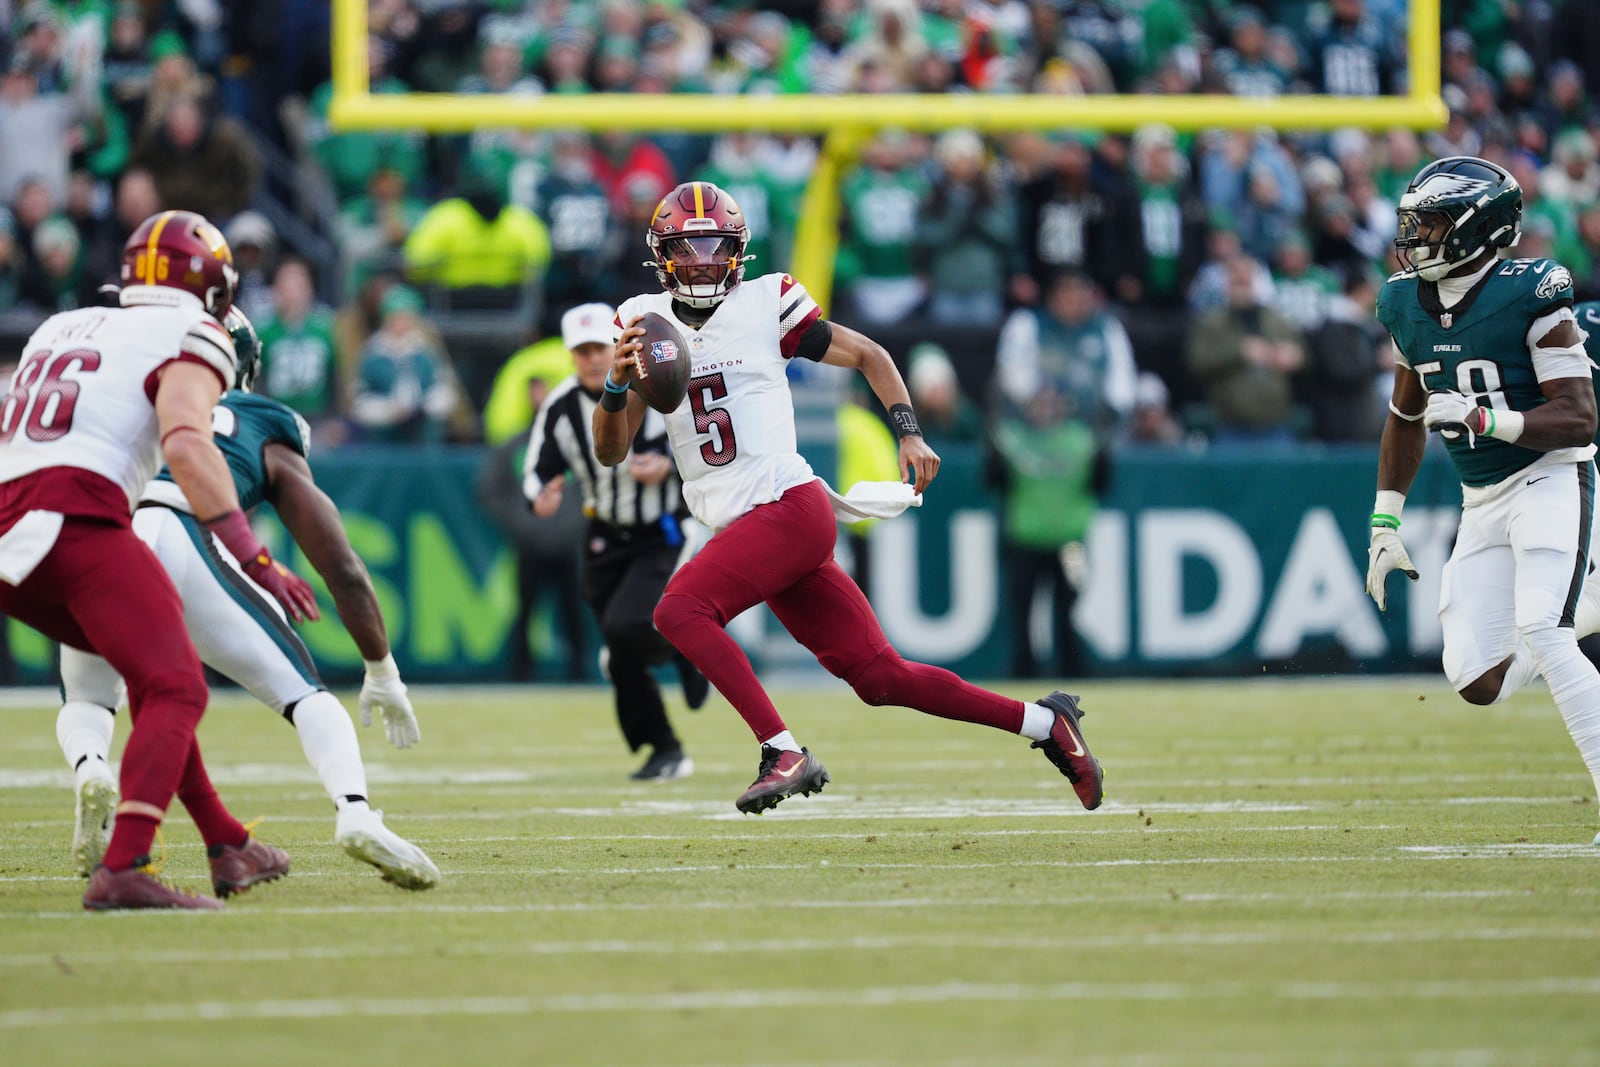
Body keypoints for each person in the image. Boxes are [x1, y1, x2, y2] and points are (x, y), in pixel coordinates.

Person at [595, 180, 1105, 814]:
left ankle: (781, 751)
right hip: (751, 523)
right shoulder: (642, 320)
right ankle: (1045, 723)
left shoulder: (765, 301)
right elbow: (611, 451)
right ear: (662, 253)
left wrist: (909, 433)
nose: (701, 260)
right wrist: (616, 386)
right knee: (881, 678)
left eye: (713, 245)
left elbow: (869, 353)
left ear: (737, 250)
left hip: (787, 506)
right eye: (688, 246)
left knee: (679, 611)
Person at [56, 306, 439, 890]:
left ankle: (90, 768)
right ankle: (356, 811)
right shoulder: (259, 418)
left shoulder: (125, 399)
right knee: (304, 695)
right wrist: (382, 670)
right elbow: (342, 565)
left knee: (90, 697)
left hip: (101, 540)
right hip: (184, 532)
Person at [0, 208, 312, 909]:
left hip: (9, 517)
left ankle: (227, 842)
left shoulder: (63, 324)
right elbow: (186, 443)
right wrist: (253, 556)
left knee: (151, 666)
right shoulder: (195, 331)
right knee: (179, 685)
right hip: (76, 512)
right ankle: (125, 866)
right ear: (209, 286)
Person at [1365, 156, 1600, 844]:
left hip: (1554, 474)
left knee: (1547, 634)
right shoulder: (1403, 302)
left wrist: (1486, 420)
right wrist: (1384, 518)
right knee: (1474, 675)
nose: (1415, 235)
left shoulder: (1532, 292)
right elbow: (1406, 416)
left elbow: (1580, 416)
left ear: (1477, 229)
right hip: (1483, 497)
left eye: (1430, 222)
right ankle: (1585, 604)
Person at [526, 301, 708, 780]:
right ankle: (663, 746)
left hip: (662, 531)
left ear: (619, 347)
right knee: (618, 647)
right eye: (582, 350)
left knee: (627, 627)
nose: (591, 359)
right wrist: (540, 493)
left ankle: (687, 652)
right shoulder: (561, 406)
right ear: (570, 354)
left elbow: (706, 443)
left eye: (599, 348)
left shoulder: (658, 384)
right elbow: (536, 469)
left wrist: (668, 465)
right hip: (604, 533)